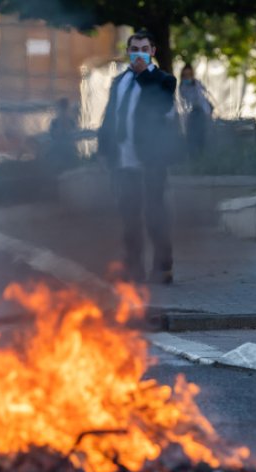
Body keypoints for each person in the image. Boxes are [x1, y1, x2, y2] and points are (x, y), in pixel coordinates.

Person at [97, 30, 177, 284]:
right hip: (123, 159)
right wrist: (104, 149)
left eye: (144, 48)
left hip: (150, 159)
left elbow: (162, 105)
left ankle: (163, 266)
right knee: (129, 215)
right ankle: (134, 267)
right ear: (128, 51)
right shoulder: (119, 81)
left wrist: (144, 75)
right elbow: (110, 116)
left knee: (155, 213)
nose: (138, 53)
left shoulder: (164, 80)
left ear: (152, 51)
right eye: (134, 49)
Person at [179, 63, 213, 158]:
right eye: (185, 75)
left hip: (201, 113)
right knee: (191, 138)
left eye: (189, 75)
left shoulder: (197, 84)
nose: (187, 77)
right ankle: (193, 158)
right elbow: (184, 101)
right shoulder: (182, 86)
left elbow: (203, 98)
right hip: (191, 115)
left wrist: (207, 113)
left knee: (202, 137)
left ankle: (201, 158)